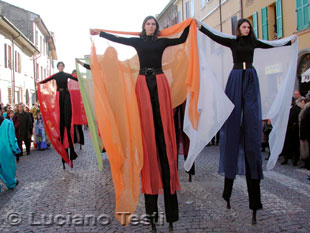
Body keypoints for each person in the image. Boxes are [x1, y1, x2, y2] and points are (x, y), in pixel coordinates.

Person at [91, 15, 189, 232]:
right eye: (148, 23)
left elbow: (181, 39)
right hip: (143, 84)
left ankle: (171, 215)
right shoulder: (137, 42)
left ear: (157, 27)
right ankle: (152, 217)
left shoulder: (163, 42)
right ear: (144, 27)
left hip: (160, 82)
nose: (151, 26)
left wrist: (191, 24)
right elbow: (117, 38)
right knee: (147, 133)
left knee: (163, 132)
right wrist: (100, 33)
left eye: (154, 24)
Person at [196, 18, 296, 225]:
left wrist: (289, 41)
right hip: (235, 78)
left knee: (251, 124)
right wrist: (201, 27)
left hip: (250, 77)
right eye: (243, 26)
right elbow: (215, 36)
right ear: (238, 29)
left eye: (248, 27)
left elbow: (271, 44)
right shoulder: (233, 42)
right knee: (232, 125)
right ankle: (228, 189)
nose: (246, 29)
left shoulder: (254, 42)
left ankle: (254, 197)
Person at [39, 62, 79, 169]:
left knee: (67, 123)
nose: (61, 67)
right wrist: (39, 82)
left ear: (63, 67)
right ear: (57, 67)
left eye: (62, 66)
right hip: (59, 96)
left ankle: (71, 151)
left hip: (66, 95)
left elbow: (75, 78)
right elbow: (46, 80)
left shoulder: (66, 74)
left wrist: (82, 78)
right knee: (61, 125)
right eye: (59, 66)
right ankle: (64, 155)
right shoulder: (56, 75)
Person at [0, 105, 20, 192]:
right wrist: (15, 149)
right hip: (5, 150)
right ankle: (11, 183)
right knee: (8, 168)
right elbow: (11, 139)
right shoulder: (8, 123)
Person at [281, 98, 301, 166]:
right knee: (286, 145)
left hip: (293, 130)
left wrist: (294, 125)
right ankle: (285, 158)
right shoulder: (285, 109)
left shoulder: (297, 109)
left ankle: (294, 160)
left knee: (294, 146)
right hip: (286, 130)